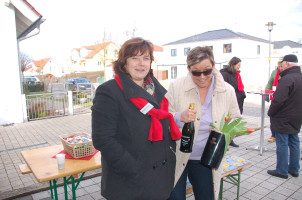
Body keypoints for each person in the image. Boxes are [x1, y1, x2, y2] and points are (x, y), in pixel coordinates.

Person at [91, 37, 181, 200]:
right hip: (130, 184)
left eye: (146, 58)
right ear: (124, 62)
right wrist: (134, 168)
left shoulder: (155, 88)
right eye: (135, 58)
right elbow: (103, 139)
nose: (141, 63)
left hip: (162, 179)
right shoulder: (109, 91)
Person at [166, 46, 241, 200]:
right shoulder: (176, 87)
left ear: (214, 66)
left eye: (207, 71)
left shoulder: (227, 90)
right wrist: (179, 117)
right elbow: (163, 118)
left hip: (207, 159)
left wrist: (225, 132)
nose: (202, 77)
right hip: (177, 156)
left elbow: (236, 120)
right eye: (195, 72)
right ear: (188, 69)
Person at [267, 54, 302, 179]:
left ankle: (281, 170)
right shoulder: (299, 77)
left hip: (283, 117)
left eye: (282, 65)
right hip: (297, 116)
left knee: (282, 143)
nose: (280, 67)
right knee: (294, 141)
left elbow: (278, 100)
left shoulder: (287, 79)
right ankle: (294, 169)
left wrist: (270, 112)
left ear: (287, 64)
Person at [220, 57, 246, 147]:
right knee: (226, 122)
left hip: (238, 100)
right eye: (238, 65)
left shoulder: (236, 74)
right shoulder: (225, 74)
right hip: (228, 101)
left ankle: (230, 139)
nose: (239, 67)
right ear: (233, 64)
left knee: (233, 121)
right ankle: (224, 140)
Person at [265, 60, 282, 143]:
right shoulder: (274, 72)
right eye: (278, 65)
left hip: (282, 98)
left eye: (281, 66)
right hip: (274, 97)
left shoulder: (285, 74)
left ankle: (279, 135)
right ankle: (273, 135)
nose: (280, 67)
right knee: (273, 117)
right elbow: (270, 83)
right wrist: (266, 92)